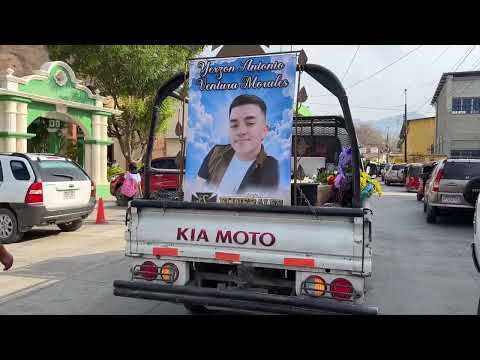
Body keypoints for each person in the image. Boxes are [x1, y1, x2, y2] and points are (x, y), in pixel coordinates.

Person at [194, 94, 279, 197]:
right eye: (234, 125)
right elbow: (197, 191)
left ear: (264, 130)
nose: (241, 131)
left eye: (250, 123)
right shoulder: (216, 154)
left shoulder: (270, 166)